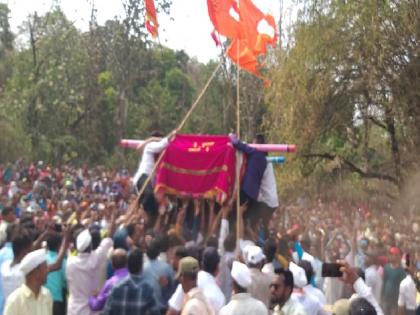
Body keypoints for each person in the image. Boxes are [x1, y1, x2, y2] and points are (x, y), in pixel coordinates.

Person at [66, 210, 116, 315]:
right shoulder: (96, 258)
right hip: (92, 309)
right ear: (91, 246)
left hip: (74, 309)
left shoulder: (70, 262)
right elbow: (109, 237)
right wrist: (113, 218)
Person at [132, 130, 176, 222]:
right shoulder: (149, 146)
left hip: (149, 181)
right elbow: (162, 144)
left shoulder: (159, 157)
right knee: (149, 194)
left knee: (154, 209)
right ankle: (141, 210)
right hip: (142, 177)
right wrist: (171, 135)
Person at [102, 249, 161, 315]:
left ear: (127, 265)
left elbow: (106, 312)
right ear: (141, 267)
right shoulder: (148, 290)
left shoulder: (116, 288)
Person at [4, 249, 52, 315]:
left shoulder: (47, 295)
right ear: (36, 272)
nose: (47, 270)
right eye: (45, 267)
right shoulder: (15, 300)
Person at [143, 237, 175, 311]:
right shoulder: (166, 267)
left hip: (147, 308)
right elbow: (173, 284)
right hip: (161, 308)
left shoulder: (142, 268)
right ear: (158, 253)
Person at [382, 247, 406, 315]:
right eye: (390, 254)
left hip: (395, 301)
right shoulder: (386, 267)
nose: (391, 256)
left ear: (398, 256)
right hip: (386, 299)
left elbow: (403, 288)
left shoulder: (401, 271)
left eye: (394, 254)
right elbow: (384, 282)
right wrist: (382, 296)